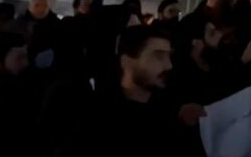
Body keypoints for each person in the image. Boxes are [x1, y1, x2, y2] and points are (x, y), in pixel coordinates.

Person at [76, 25, 182, 156]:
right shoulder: (95, 115)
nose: (169, 65)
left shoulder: (168, 112)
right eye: (159, 56)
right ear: (126, 62)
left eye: (169, 56)